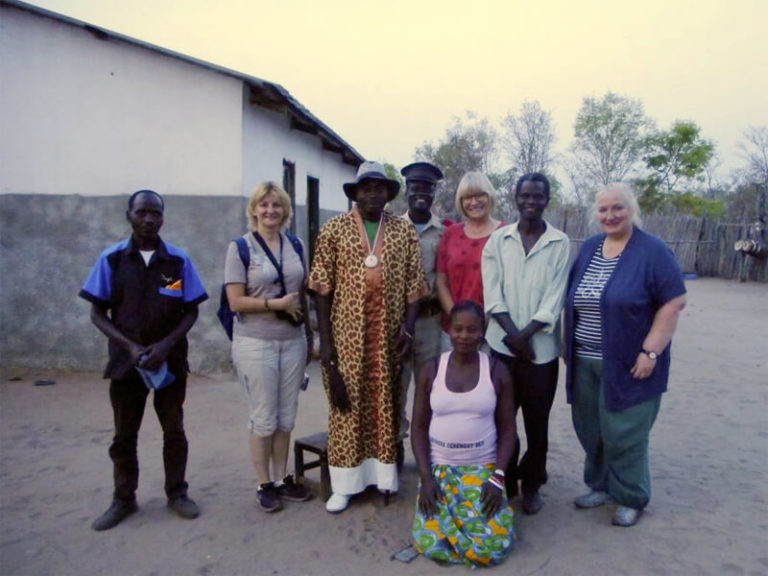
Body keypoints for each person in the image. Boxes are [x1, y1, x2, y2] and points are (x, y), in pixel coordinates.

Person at [79, 190, 208, 531]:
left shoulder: (178, 261)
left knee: (174, 430)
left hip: (170, 363)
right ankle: (123, 499)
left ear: (163, 218)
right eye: (142, 213)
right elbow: (97, 313)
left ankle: (177, 493)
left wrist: (165, 347)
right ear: (129, 216)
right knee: (124, 435)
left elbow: (191, 310)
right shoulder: (111, 259)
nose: (149, 219)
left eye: (155, 214)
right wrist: (132, 348)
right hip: (127, 364)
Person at [564, 183, 687, 527]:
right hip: (584, 360)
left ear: (631, 210)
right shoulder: (589, 248)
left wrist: (651, 351)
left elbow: (673, 302)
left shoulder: (652, 251)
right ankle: (600, 486)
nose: (610, 215)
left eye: (617, 208)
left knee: (626, 432)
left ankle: (631, 496)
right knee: (591, 428)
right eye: (603, 210)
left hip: (631, 362)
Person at [308, 161, 427, 514]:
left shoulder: (404, 233)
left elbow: (415, 287)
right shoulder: (333, 229)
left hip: (388, 338)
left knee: (385, 407)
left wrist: (407, 329)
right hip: (346, 338)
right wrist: (325, 343)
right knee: (346, 407)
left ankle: (383, 479)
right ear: (356, 193)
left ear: (389, 195)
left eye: (379, 188)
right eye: (366, 188)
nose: (373, 194)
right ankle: (345, 485)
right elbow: (320, 288)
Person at [482, 173, 570, 516]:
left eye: (538, 196)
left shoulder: (559, 243)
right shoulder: (498, 240)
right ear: (515, 198)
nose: (531, 202)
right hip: (502, 348)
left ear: (547, 200)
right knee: (502, 420)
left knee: (537, 422)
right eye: (525, 196)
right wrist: (513, 336)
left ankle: (533, 483)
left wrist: (527, 334)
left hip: (541, 352)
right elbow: (493, 292)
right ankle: (509, 478)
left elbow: (555, 297)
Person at [224, 182, 313, 513]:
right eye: (264, 205)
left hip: (292, 342)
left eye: (276, 205)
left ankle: (281, 478)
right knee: (264, 418)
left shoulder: (296, 244)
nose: (270, 211)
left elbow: (302, 292)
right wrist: (275, 305)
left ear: (286, 210)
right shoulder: (240, 248)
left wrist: (310, 335)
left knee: (286, 417)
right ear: (254, 210)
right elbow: (235, 301)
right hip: (255, 342)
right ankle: (263, 483)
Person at [411, 301, 516, 567]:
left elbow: (508, 430)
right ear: (449, 328)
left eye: (472, 330)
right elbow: (419, 428)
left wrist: (498, 478)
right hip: (440, 471)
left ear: (483, 331)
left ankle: (467, 536)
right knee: (429, 542)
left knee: (494, 546)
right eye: (458, 329)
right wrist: (426, 479)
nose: (464, 336)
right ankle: (458, 536)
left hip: (482, 471)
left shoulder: (496, 371)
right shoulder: (431, 369)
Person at [398, 162, 445, 451]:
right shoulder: (391, 228)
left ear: (434, 194)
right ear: (407, 191)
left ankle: (425, 449)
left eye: (427, 189)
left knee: (429, 389)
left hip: (430, 320)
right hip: (399, 322)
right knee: (396, 387)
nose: (421, 194)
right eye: (416, 187)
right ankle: (396, 445)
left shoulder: (443, 232)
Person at [435, 171, 502, 348]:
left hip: (492, 332)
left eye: (479, 195)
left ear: (489, 196)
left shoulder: (505, 234)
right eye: (467, 197)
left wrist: (483, 322)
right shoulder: (450, 234)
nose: (474, 202)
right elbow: (441, 281)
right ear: (461, 202)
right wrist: (458, 321)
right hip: (454, 332)